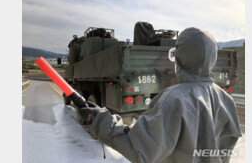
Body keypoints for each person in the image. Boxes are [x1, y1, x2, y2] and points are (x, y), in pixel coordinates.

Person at [77, 27, 242, 163]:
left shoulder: (174, 100)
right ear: (212, 58)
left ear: (179, 57)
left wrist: (99, 120)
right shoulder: (226, 100)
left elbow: (139, 150)